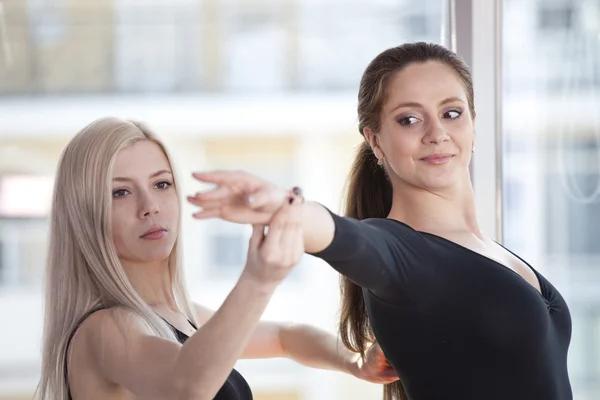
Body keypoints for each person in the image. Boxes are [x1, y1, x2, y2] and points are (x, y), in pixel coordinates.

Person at [187, 42, 573, 400]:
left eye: (451, 113)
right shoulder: (401, 251)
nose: (437, 134)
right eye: (409, 120)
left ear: (473, 124)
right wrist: (283, 208)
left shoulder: (484, 247)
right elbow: (341, 237)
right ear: (375, 142)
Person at [35, 117, 399, 400]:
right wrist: (258, 280)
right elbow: (187, 387)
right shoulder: (105, 329)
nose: (150, 208)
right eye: (120, 192)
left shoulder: (180, 315)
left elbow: (287, 337)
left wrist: (354, 363)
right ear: (84, 212)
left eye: (161, 184)